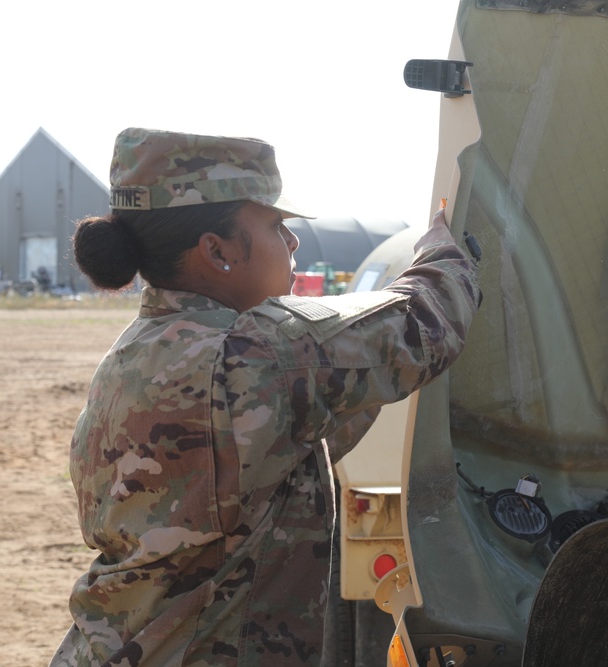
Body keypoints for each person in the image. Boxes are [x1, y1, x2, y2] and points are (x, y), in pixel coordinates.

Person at [49, 127, 481, 666]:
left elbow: (318, 417)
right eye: (277, 225)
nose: (294, 242)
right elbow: (424, 321)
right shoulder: (255, 355)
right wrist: (448, 244)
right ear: (218, 250)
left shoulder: (137, 353)